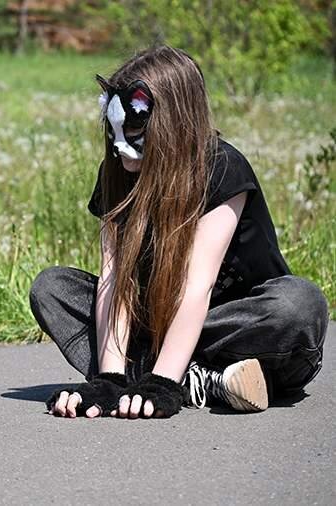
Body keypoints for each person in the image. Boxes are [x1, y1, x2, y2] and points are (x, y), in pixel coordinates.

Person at [29, 46, 329, 419]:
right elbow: (114, 281)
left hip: (240, 332)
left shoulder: (221, 167)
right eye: (114, 129)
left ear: (172, 123)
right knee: (52, 287)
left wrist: (162, 384)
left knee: (298, 303)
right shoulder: (119, 173)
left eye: (135, 129)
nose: (120, 144)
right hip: (157, 326)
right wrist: (108, 380)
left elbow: (195, 286)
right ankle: (204, 381)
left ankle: (173, 375)